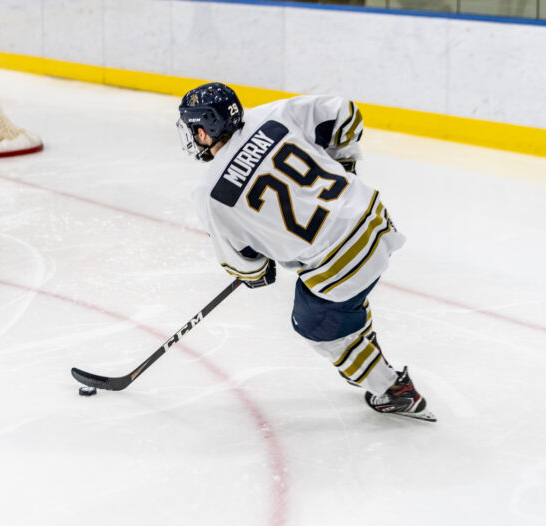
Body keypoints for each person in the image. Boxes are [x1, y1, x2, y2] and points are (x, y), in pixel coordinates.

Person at [177, 82, 435, 422]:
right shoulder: (271, 116)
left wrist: (257, 270)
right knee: (340, 298)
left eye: (193, 129)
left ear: (205, 130)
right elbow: (344, 112)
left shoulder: (210, 195)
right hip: (373, 219)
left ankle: (394, 391)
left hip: (339, 264)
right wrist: (345, 168)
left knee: (314, 323)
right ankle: (361, 348)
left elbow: (245, 266)